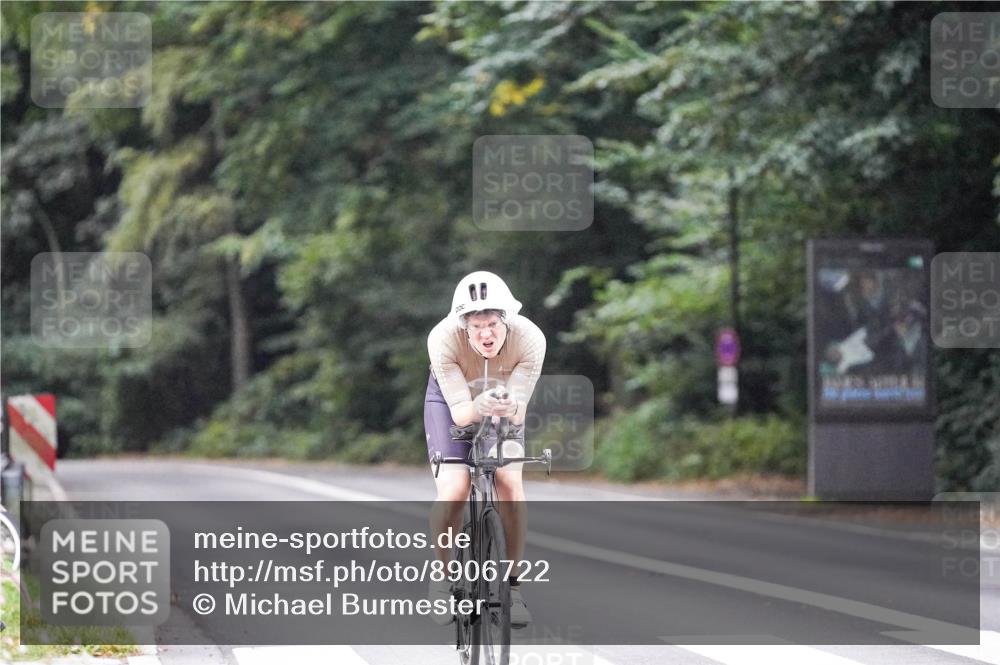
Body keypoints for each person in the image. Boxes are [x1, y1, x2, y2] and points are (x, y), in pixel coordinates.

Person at [424, 271, 546, 628]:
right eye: (476, 327)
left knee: (509, 482)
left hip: (504, 401)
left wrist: (506, 405)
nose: (486, 334)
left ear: (506, 320)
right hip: (453, 402)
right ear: (463, 327)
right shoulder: (442, 338)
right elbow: (462, 415)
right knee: (455, 488)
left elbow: (518, 412)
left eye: (492, 324)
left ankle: (513, 589)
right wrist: (478, 404)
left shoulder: (530, 338)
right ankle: (443, 579)